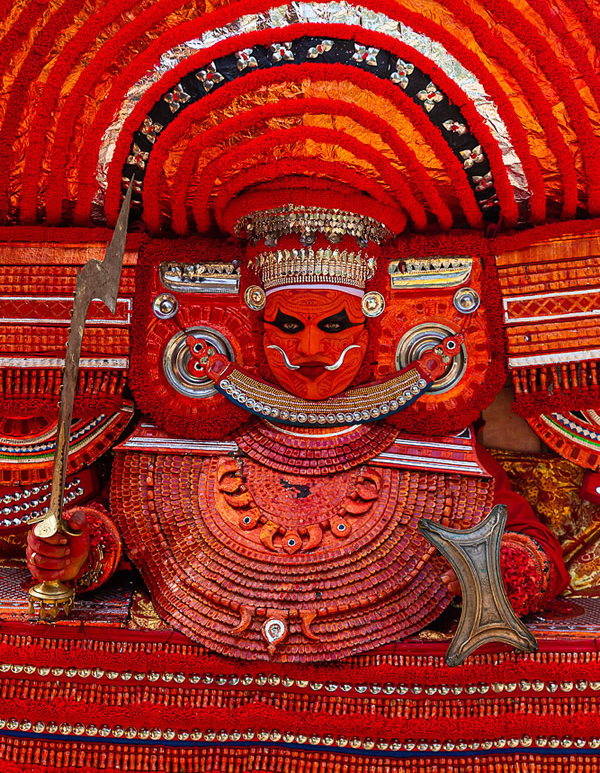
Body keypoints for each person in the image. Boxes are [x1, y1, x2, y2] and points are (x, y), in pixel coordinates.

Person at [26, 202, 569, 661]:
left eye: (334, 326)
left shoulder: (432, 439)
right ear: (254, 322)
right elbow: (118, 526)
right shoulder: (193, 427)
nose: (311, 351)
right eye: (289, 325)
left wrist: (494, 570)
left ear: (374, 324)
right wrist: (77, 550)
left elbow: (532, 550)